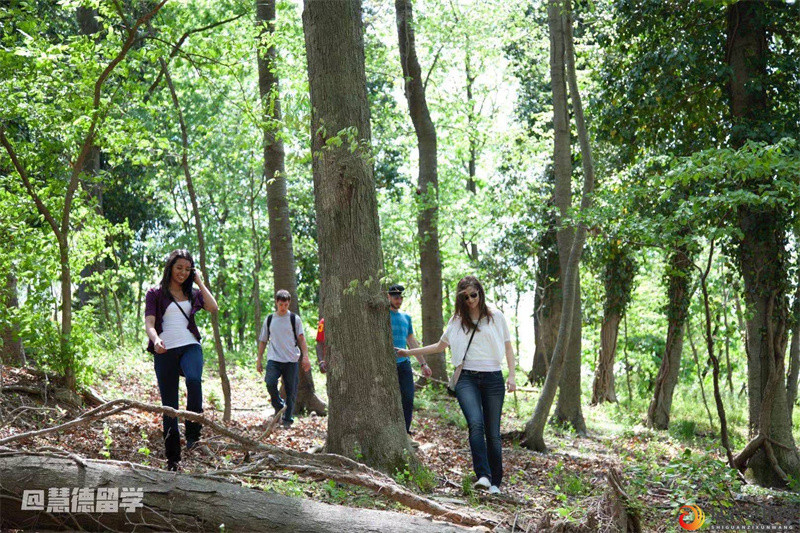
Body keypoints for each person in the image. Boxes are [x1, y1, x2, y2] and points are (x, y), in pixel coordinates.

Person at [397, 276, 516, 495]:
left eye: (474, 294)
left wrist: (512, 376)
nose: (471, 300)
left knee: (493, 432)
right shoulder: (457, 321)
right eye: (466, 297)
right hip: (467, 378)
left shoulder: (496, 317)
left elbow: (508, 348)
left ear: (480, 292)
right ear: (460, 298)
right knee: (476, 424)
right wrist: (409, 352)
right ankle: (483, 475)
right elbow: (439, 346)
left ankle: (496, 483)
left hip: (493, 378)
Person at [145, 249, 218, 472]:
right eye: (179, 268)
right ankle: (173, 459)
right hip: (165, 349)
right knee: (169, 406)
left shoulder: (193, 292)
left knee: (194, 380)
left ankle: (193, 434)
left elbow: (213, 307)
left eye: (187, 269)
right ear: (170, 267)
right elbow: (149, 322)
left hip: (189, 345)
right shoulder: (155, 293)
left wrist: (199, 281)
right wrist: (156, 340)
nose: (183, 273)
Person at [256, 290, 311, 428]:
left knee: (291, 390)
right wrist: (259, 359)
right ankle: (278, 405)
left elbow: (301, 339)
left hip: (291, 359)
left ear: (289, 303)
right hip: (274, 358)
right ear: (276, 302)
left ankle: (287, 420)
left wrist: (306, 357)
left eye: (286, 305)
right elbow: (263, 340)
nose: (283, 307)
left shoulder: (294, 319)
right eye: (281, 304)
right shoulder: (270, 319)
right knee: (270, 382)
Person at [388, 283, 432, 435]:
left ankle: (405, 433)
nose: (398, 300)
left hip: (403, 364)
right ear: (388, 297)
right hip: (386, 365)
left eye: (400, 297)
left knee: (408, 397)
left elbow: (412, 342)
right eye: (395, 297)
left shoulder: (406, 317)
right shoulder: (382, 316)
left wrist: (423, 364)